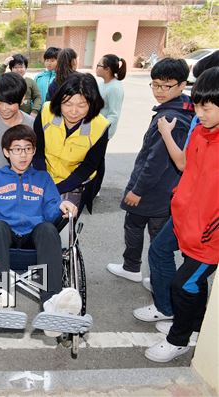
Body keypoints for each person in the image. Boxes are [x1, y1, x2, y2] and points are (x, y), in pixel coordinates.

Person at [133, 53, 219, 327]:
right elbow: (183, 164)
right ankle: (167, 307)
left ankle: (185, 330)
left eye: (206, 108)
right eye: (197, 106)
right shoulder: (200, 130)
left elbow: (155, 164)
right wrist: (168, 134)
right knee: (160, 253)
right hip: (184, 214)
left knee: (187, 281)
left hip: (207, 227)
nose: (199, 114)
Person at [0, 125, 80, 337]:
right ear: (6, 152)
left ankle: (53, 303)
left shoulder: (43, 178)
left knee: (49, 229)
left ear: (34, 151)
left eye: (28, 149)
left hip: (33, 241)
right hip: (4, 240)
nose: (23, 154)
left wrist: (61, 206)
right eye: (17, 149)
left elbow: (50, 211)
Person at [107, 58, 194, 287]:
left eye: (167, 85)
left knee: (140, 230)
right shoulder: (183, 108)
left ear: (182, 85)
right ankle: (154, 277)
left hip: (152, 192)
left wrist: (137, 190)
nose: (159, 91)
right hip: (165, 192)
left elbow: (155, 162)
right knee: (157, 236)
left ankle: (134, 269)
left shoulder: (171, 119)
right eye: (155, 84)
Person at [32, 72, 109, 213]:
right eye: (67, 104)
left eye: (81, 105)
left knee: (64, 223)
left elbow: (88, 167)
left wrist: (57, 189)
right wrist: (44, 183)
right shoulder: (46, 112)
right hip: (44, 176)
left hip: (75, 183)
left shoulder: (100, 126)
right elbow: (37, 152)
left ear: (92, 104)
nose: (73, 111)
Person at [0, 53, 42, 118]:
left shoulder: (30, 81)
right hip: (9, 116)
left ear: (25, 68)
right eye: (15, 67)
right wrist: (4, 65)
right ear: (11, 68)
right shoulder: (7, 80)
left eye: (21, 67)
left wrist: (35, 111)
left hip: (27, 116)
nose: (19, 70)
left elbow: (37, 97)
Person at [96, 54, 127, 139]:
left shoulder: (115, 88)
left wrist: (101, 128)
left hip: (102, 132)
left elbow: (114, 115)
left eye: (99, 65)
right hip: (95, 128)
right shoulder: (102, 83)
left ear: (107, 69)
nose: (97, 68)